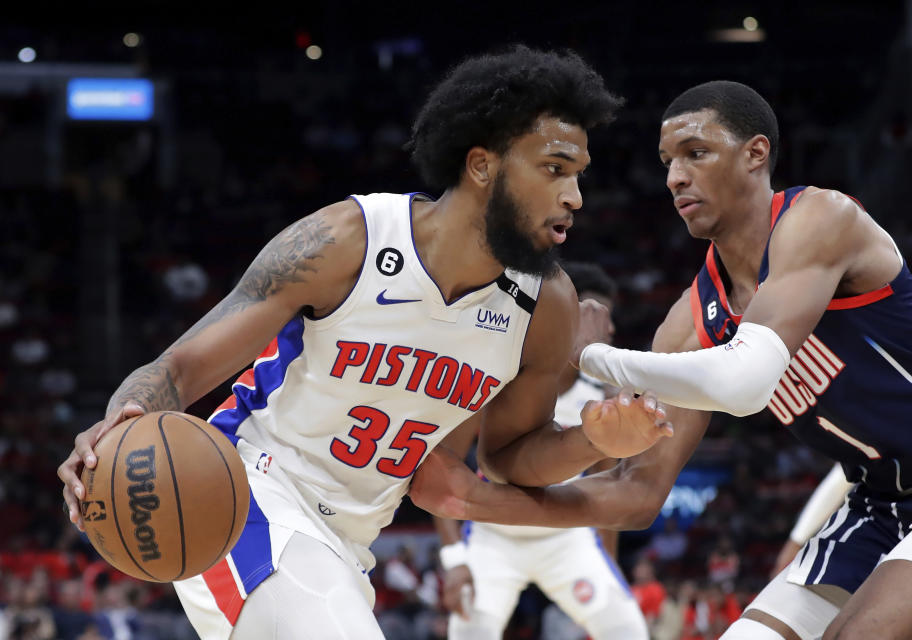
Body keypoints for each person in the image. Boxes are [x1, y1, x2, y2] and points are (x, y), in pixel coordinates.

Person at [57, 45, 673, 640]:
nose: (575, 197)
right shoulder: (349, 240)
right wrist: (115, 430)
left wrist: (591, 441)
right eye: (554, 169)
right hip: (249, 495)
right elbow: (181, 368)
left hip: (351, 541)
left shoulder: (545, 305)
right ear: (482, 165)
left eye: (579, 176)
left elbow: (508, 458)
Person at [410, 80, 912, 640]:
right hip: (880, 502)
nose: (675, 176)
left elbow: (746, 380)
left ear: (756, 153)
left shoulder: (823, 217)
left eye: (696, 153)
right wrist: (479, 498)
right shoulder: (688, 322)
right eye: (668, 161)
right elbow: (637, 495)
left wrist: (595, 358)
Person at [434, 262, 648, 640]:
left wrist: (609, 564)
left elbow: (606, 491)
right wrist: (453, 560)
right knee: (468, 633)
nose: (610, 329)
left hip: (566, 538)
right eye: (598, 317)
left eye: (609, 319)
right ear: (564, 318)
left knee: (626, 628)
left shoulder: (601, 399)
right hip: (492, 538)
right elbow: (440, 462)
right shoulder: (496, 382)